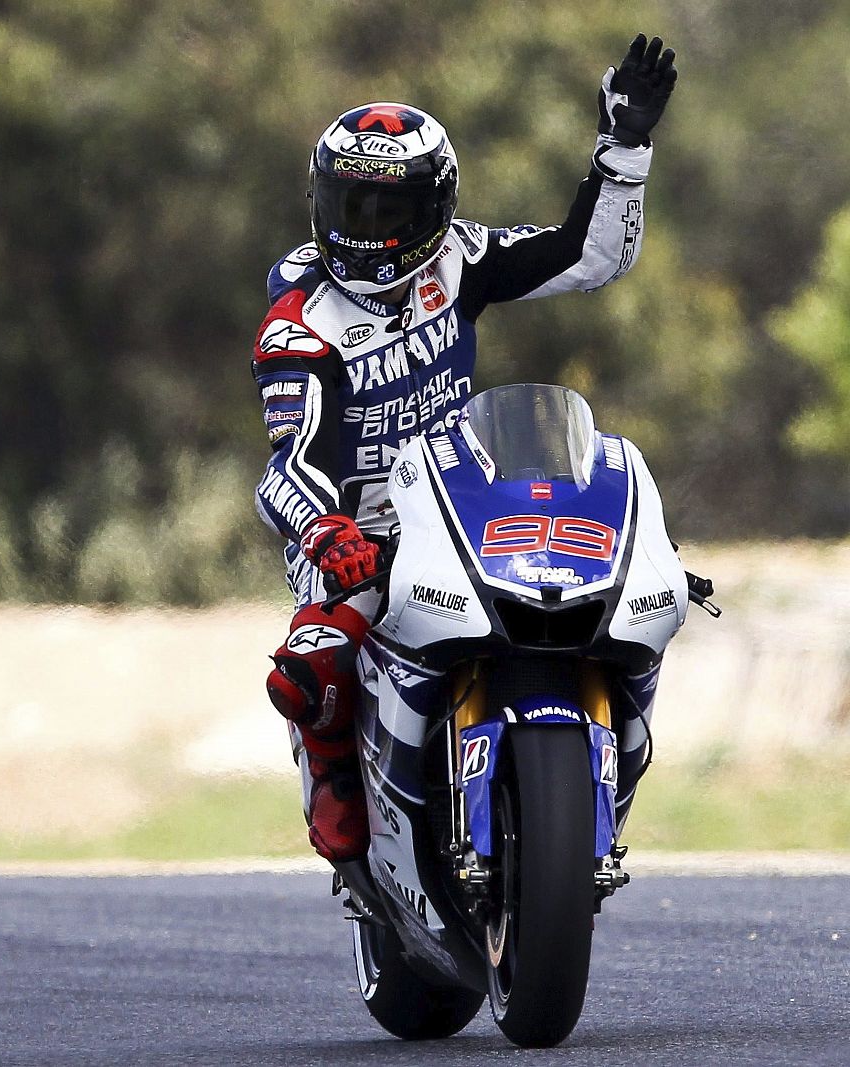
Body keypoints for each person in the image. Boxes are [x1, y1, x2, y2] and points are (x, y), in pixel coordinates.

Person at [252, 35, 677, 861]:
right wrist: (323, 534)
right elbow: (288, 459)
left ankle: (594, 771)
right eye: (350, 207)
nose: (366, 232)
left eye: (389, 213)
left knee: (607, 600)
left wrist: (624, 151)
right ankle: (341, 784)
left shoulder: (463, 257)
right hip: (355, 531)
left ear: (435, 211)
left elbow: (590, 258)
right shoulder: (298, 319)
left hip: (461, 499)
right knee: (306, 671)